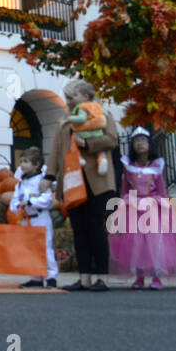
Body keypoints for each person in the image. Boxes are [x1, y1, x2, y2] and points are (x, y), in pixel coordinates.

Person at [46, 78, 118, 291]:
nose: (68, 101)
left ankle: (102, 277)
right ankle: (84, 276)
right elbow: (56, 150)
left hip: (96, 180)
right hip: (72, 180)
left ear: (86, 97)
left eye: (72, 97)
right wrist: (49, 176)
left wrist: (88, 144)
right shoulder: (64, 121)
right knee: (79, 231)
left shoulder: (103, 115)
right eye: (67, 97)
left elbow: (112, 140)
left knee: (96, 229)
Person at [108, 126, 176, 290]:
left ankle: (157, 276)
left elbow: (162, 188)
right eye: (136, 141)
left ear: (150, 144)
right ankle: (139, 275)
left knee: (156, 243)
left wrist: (165, 207)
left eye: (143, 140)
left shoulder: (157, 166)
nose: (140, 144)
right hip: (134, 206)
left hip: (153, 206)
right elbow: (125, 188)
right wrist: (121, 206)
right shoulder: (129, 167)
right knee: (136, 244)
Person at [10, 146, 57, 289]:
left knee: (45, 247)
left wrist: (31, 202)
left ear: (36, 165)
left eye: (26, 161)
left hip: (40, 217)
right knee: (31, 248)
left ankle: (51, 277)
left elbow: (47, 199)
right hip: (27, 219)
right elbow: (14, 200)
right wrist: (17, 206)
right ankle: (35, 277)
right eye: (21, 161)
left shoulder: (42, 181)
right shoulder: (20, 184)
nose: (22, 165)